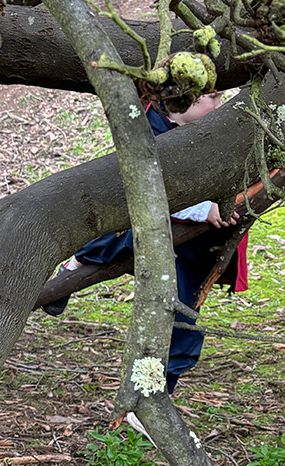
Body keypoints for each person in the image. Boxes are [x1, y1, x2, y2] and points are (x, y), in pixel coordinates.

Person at [42, 92, 246, 395]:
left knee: (183, 322)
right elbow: (146, 193)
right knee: (120, 239)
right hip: (149, 230)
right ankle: (79, 262)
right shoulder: (147, 132)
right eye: (211, 99)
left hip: (190, 248)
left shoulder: (211, 133)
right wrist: (204, 209)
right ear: (186, 99)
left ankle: (156, 398)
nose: (218, 107)